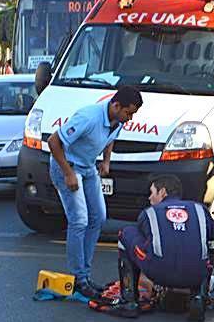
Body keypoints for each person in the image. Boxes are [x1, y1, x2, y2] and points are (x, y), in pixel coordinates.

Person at [48, 85, 143, 298]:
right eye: (128, 113)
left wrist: (106, 161)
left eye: (132, 114)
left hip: (88, 167)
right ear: (116, 105)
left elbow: (110, 139)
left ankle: (85, 275)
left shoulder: (118, 120)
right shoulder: (88, 117)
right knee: (79, 221)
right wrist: (68, 173)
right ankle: (79, 279)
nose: (129, 119)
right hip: (67, 165)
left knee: (99, 218)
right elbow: (53, 142)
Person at [107, 175, 214, 320]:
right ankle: (199, 296)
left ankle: (129, 301)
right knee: (201, 252)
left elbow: (146, 247)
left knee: (126, 233)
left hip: (158, 271)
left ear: (162, 192)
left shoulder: (149, 213)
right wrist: (204, 273)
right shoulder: (201, 210)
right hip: (196, 274)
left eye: (152, 193)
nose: (150, 198)